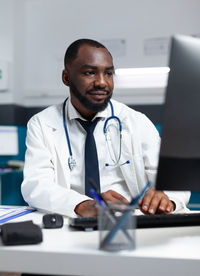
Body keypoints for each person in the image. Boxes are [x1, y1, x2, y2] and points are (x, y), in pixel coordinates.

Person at [21, 38, 190, 218]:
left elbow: (175, 181)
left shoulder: (136, 122)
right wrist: (83, 205)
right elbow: (36, 184)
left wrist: (166, 199)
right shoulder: (42, 124)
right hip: (73, 218)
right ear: (66, 77)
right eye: (90, 73)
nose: (102, 82)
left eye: (108, 74)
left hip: (131, 223)